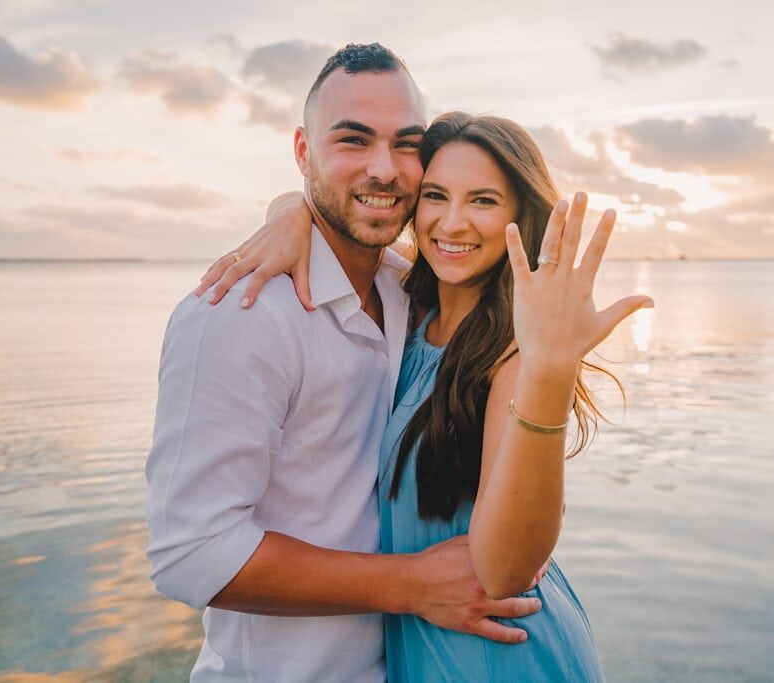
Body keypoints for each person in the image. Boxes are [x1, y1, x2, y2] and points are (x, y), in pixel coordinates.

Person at [198, 112, 654, 680]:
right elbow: (325, 210)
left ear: (521, 216)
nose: (453, 223)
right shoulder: (406, 308)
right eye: (436, 195)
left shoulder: (516, 355)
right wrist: (290, 214)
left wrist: (552, 372)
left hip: (499, 650)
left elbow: (506, 569)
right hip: (422, 640)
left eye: (484, 201)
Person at [145, 44, 544, 683]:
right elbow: (191, 555)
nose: (384, 170)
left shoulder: (408, 290)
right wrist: (411, 585)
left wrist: (290, 209)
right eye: (353, 140)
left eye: (406, 144)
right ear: (303, 151)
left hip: (419, 662)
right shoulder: (237, 316)